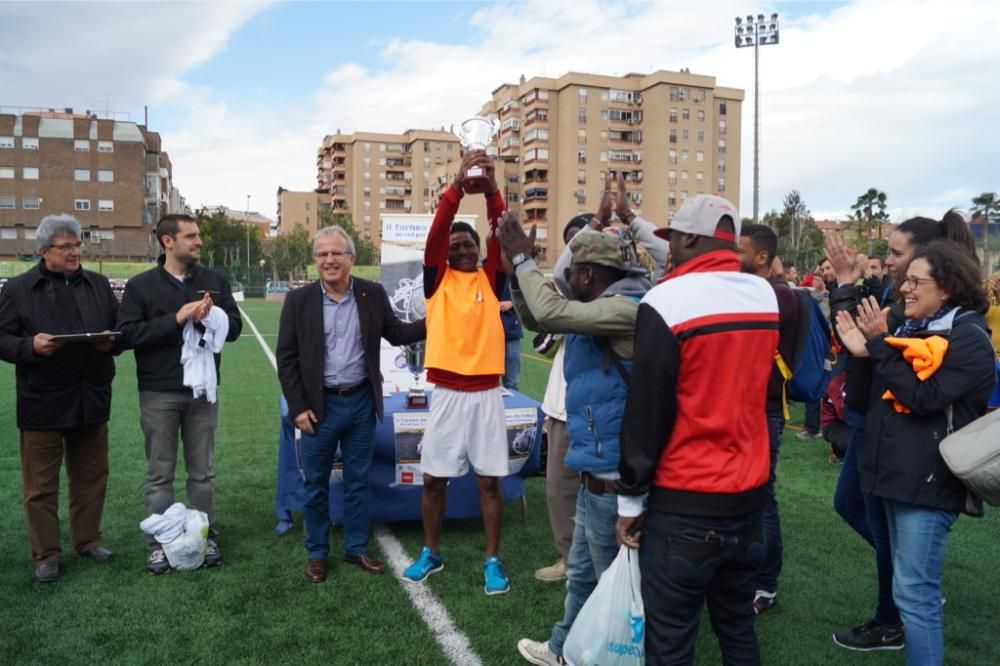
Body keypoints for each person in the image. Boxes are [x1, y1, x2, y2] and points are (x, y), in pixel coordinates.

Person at [617, 195, 779, 665]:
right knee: (737, 628)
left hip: (686, 499)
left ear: (690, 238)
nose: (669, 250)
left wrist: (629, 499)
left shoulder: (666, 299)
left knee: (670, 643)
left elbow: (647, 411)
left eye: (674, 240)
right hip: (749, 495)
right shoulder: (762, 294)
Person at [825, 210, 978, 651]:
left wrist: (872, 344)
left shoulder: (958, 333)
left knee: (916, 589)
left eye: (910, 273)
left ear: (940, 279)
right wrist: (866, 345)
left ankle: (897, 610)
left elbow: (920, 396)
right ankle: (900, 602)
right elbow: (870, 382)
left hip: (918, 474)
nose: (899, 283)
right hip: (889, 459)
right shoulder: (914, 322)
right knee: (911, 581)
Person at [501, 217, 650, 666]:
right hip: (594, 469)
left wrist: (526, 258)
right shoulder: (599, 304)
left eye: (572, 273)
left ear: (587, 274)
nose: (567, 281)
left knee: (612, 584)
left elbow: (550, 312)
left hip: (614, 479)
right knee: (582, 574)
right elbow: (535, 317)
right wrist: (515, 273)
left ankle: (620, 656)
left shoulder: (626, 307)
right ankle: (564, 647)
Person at [276, 226, 425, 583]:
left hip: (360, 402)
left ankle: (356, 547)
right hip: (319, 406)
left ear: (351, 258)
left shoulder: (371, 293)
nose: (329, 260)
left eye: (336, 253)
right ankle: (317, 552)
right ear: (316, 261)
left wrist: (439, 319)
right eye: (322, 254)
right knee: (316, 484)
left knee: (358, 480)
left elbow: (397, 333)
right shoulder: (299, 301)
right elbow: (287, 357)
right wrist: (298, 407)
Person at [401, 150, 511, 595]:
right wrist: (455, 187)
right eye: (456, 246)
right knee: (434, 479)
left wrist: (492, 191)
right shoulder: (437, 280)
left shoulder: (491, 278)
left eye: (470, 245)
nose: (463, 249)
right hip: (446, 391)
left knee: (488, 482)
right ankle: (432, 553)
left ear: (480, 252)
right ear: (446, 254)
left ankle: (492, 559)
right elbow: (435, 236)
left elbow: (500, 233)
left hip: (486, 392)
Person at [117, 213, 242, 574]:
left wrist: (212, 316)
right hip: (158, 392)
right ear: (167, 241)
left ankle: (205, 532)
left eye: (199, 235)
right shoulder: (141, 286)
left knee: (202, 472)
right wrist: (177, 317)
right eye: (191, 236)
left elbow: (233, 328)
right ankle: (160, 541)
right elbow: (126, 335)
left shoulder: (214, 280)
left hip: (203, 391)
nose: (199, 241)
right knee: (160, 473)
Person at [0, 214, 119, 583]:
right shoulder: (19, 289)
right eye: (65, 246)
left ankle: (88, 539)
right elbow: (2, 338)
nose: (74, 252)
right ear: (43, 251)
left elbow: (121, 331)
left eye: (78, 244)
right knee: (40, 486)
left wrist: (111, 340)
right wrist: (29, 346)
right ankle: (46, 554)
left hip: (91, 397)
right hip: (42, 401)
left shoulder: (99, 285)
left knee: (92, 476)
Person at [738, 223, 800, 615]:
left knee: (761, 498)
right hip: (743, 408)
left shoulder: (777, 296)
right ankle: (744, 572)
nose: (730, 256)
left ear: (762, 257)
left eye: (738, 250)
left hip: (764, 410)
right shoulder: (753, 291)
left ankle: (765, 585)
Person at [533, 216, 590, 583]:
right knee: (559, 490)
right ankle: (570, 559)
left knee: (603, 495)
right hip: (562, 407)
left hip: (602, 412)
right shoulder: (558, 298)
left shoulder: (617, 294)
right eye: (570, 244)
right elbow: (541, 343)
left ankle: (600, 562)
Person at [499, 281, 523, 391]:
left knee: (511, 383)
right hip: (489, 334)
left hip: (511, 333)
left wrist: (512, 303)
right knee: (488, 382)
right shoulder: (485, 271)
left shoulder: (515, 274)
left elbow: (529, 297)